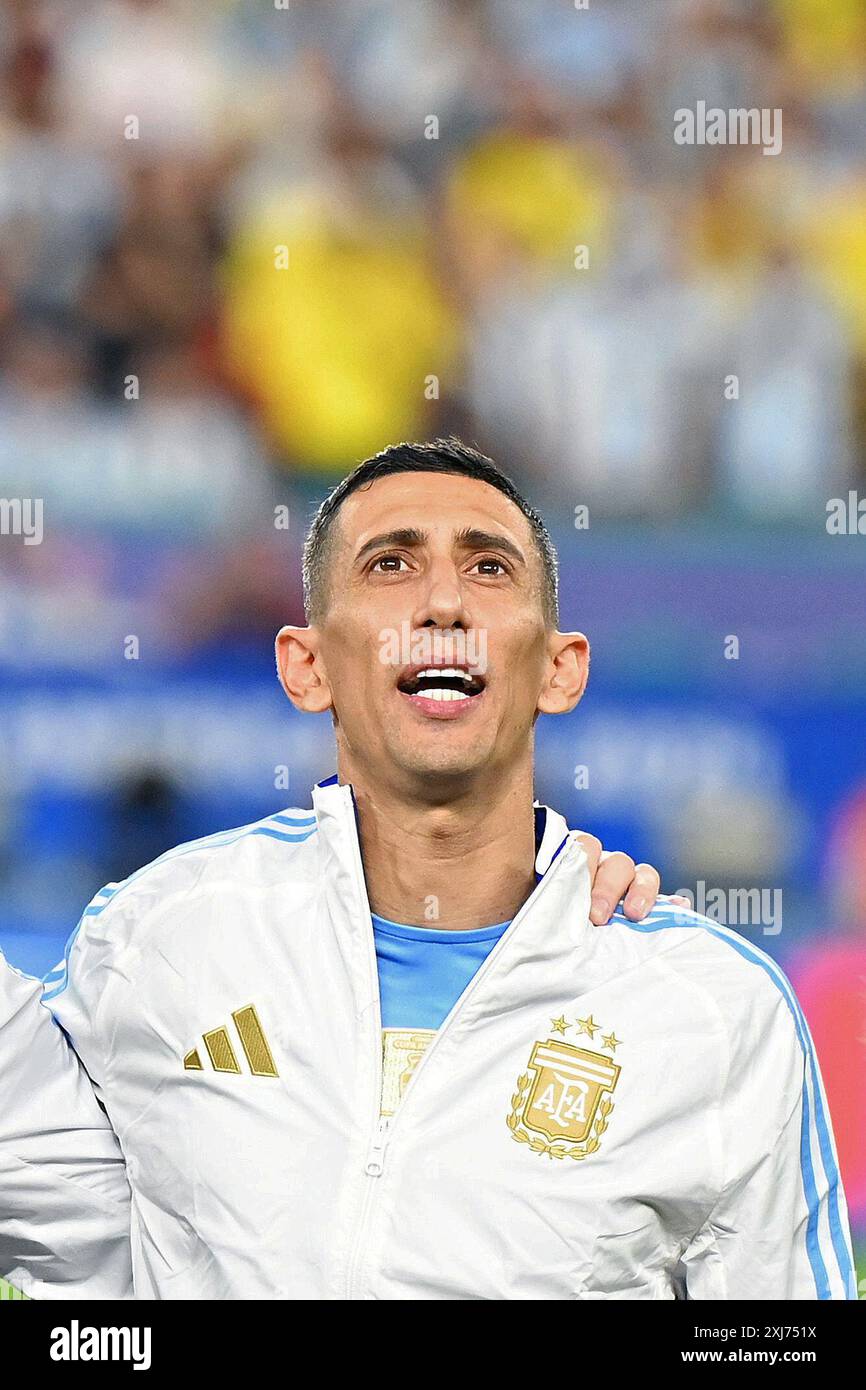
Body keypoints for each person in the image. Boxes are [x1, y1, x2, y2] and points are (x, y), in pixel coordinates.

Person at [1, 438, 854, 1300]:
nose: (443, 601)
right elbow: (59, 1231)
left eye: (488, 569)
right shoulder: (159, 938)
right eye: (390, 564)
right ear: (308, 665)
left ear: (560, 671)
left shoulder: (711, 1008)